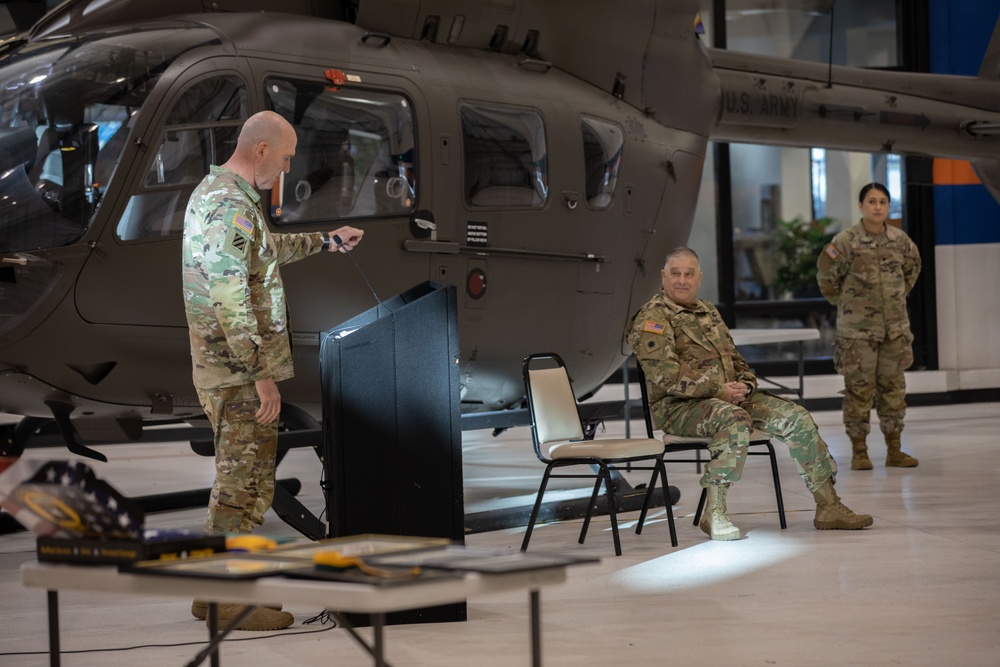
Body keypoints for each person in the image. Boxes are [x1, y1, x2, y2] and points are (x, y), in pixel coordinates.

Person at [182, 110, 363, 629]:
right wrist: (260, 372)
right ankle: (224, 600)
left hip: (227, 368)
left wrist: (327, 241)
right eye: (284, 160)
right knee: (242, 485)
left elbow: (261, 253)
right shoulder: (229, 205)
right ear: (260, 150)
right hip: (236, 373)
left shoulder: (223, 196)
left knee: (243, 479)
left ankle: (211, 591)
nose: (284, 171)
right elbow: (228, 294)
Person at [626, 247, 872, 541]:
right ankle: (713, 513)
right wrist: (719, 390)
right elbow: (665, 376)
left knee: (796, 417)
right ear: (663, 277)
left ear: (699, 278)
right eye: (675, 273)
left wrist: (745, 384)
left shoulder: (708, 311)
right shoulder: (652, 318)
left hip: (729, 398)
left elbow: (735, 359)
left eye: (689, 274)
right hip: (679, 408)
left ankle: (828, 505)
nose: (682, 280)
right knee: (734, 420)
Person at [816, 183, 921, 471]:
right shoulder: (845, 241)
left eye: (883, 202)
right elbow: (826, 277)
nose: (877, 207)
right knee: (858, 391)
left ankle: (895, 450)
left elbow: (912, 271)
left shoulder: (901, 241)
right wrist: (846, 304)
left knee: (894, 389)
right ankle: (859, 451)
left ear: (888, 207)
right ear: (861, 206)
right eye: (872, 201)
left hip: (894, 331)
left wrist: (895, 297)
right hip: (857, 333)